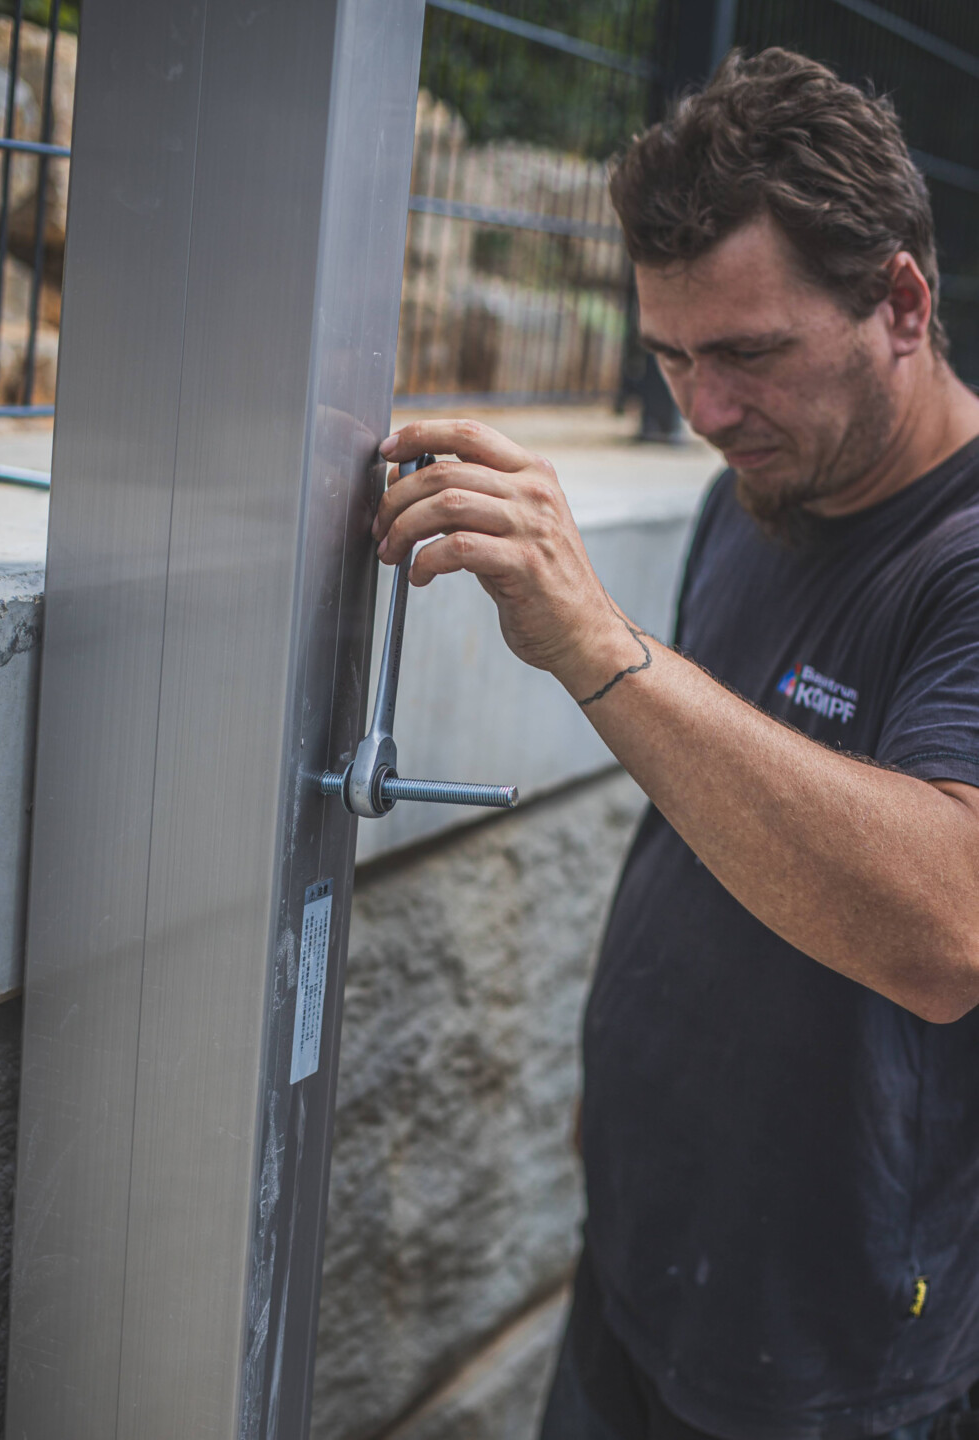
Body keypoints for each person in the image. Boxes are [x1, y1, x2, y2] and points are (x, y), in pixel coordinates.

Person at [373, 48, 979, 1440]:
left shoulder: (956, 558)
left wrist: (598, 643)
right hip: (641, 1265)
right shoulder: (761, 491)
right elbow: (697, 809)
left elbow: (947, 928)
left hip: (834, 1361)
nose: (703, 413)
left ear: (900, 303)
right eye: (670, 358)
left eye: (749, 354)